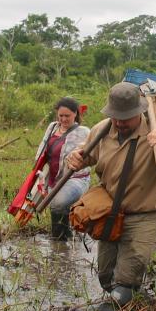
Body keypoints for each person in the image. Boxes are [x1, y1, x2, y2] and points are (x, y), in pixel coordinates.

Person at [65, 81, 156, 308]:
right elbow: (86, 155)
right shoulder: (102, 130)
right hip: (109, 214)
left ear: (139, 112)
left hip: (145, 215)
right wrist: (76, 157)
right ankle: (137, 298)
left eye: (125, 118)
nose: (119, 122)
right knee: (106, 279)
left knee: (126, 281)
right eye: (116, 116)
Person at [34, 97, 90, 240]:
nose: (64, 119)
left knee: (57, 203)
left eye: (67, 116)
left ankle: (57, 241)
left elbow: (91, 156)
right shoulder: (52, 127)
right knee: (59, 208)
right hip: (53, 178)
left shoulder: (84, 132)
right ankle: (65, 240)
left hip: (75, 179)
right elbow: (42, 149)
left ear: (75, 114)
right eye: (61, 116)